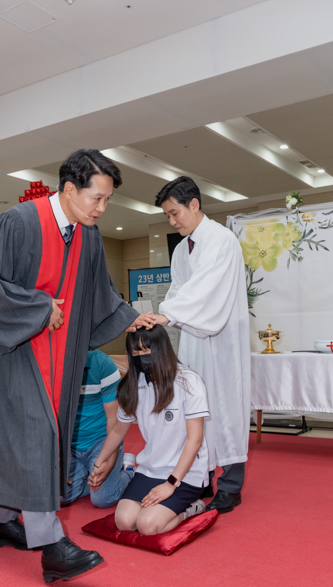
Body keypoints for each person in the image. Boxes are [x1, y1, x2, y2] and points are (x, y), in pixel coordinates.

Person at [0, 149, 154, 584]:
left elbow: (100, 294)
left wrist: (128, 315)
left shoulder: (89, 235)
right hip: (11, 352)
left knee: (35, 438)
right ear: (68, 189)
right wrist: (41, 308)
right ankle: (51, 546)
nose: (101, 208)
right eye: (96, 198)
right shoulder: (19, 223)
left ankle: (4, 521)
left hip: (58, 357)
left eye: (107, 201)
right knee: (36, 434)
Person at [151, 176, 251, 515]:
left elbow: (205, 289)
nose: (173, 220)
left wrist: (167, 314)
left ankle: (231, 486)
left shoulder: (221, 240)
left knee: (225, 407)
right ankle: (202, 478)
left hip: (222, 339)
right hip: (194, 338)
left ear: (194, 205)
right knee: (196, 408)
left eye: (175, 212)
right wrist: (163, 314)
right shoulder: (182, 248)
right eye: (167, 215)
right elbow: (178, 292)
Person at [89, 326, 209, 535]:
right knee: (125, 522)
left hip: (185, 473)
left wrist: (171, 483)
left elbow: (195, 440)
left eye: (146, 351)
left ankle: (191, 509)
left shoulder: (188, 381)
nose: (141, 358)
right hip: (150, 468)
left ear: (161, 348)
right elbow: (118, 430)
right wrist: (99, 463)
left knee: (147, 526)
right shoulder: (135, 383)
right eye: (135, 353)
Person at [62, 350, 135, 508]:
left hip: (101, 440)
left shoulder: (103, 363)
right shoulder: (55, 363)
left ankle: (128, 470)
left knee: (103, 499)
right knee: (61, 498)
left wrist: (109, 460)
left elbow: (113, 419)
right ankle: (86, 472)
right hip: (70, 444)